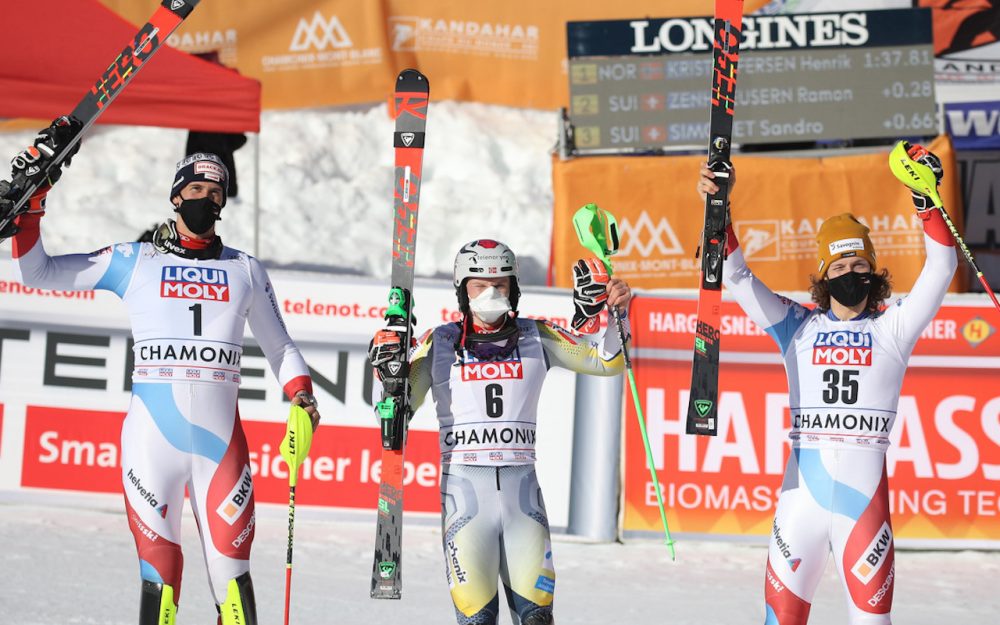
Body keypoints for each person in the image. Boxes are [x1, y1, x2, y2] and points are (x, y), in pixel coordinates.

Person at [1, 120, 320, 625]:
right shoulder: (135, 259)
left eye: (216, 192)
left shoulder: (245, 269)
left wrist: (303, 397)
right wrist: (31, 212)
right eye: (196, 189)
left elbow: (282, 348)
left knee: (233, 582)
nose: (206, 199)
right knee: (161, 577)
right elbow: (36, 272)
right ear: (175, 197)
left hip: (221, 450)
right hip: (152, 445)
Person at [696, 144, 957, 625]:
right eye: (838, 268)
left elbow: (942, 268)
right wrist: (720, 208)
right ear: (822, 275)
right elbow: (734, 276)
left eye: (859, 266)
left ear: (873, 271)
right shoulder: (796, 326)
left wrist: (927, 201)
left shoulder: (892, 329)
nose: (850, 275)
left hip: (864, 509)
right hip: (801, 504)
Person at [369, 239, 631, 625]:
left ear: (515, 287)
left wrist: (617, 313)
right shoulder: (438, 342)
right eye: (479, 285)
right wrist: (386, 375)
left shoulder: (537, 335)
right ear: (462, 290)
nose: (491, 293)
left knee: (537, 618)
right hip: (465, 503)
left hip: (522, 499)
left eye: (501, 284)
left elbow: (608, 362)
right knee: (477, 620)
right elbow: (393, 421)